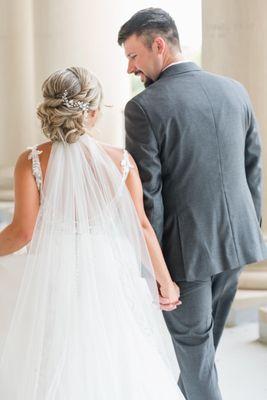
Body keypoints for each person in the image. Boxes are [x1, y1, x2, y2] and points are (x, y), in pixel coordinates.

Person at [0, 67, 185, 399]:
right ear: (95, 111)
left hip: (53, 273)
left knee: (54, 353)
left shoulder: (32, 162)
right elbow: (142, 227)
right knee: (114, 354)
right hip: (107, 271)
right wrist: (166, 282)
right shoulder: (121, 161)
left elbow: (22, 232)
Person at [118, 8, 267, 400]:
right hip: (236, 246)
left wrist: (158, 271)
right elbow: (253, 168)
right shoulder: (235, 90)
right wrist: (251, 230)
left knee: (194, 357)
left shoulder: (143, 109)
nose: (130, 68)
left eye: (133, 56)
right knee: (200, 353)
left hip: (185, 259)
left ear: (159, 45)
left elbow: (150, 197)